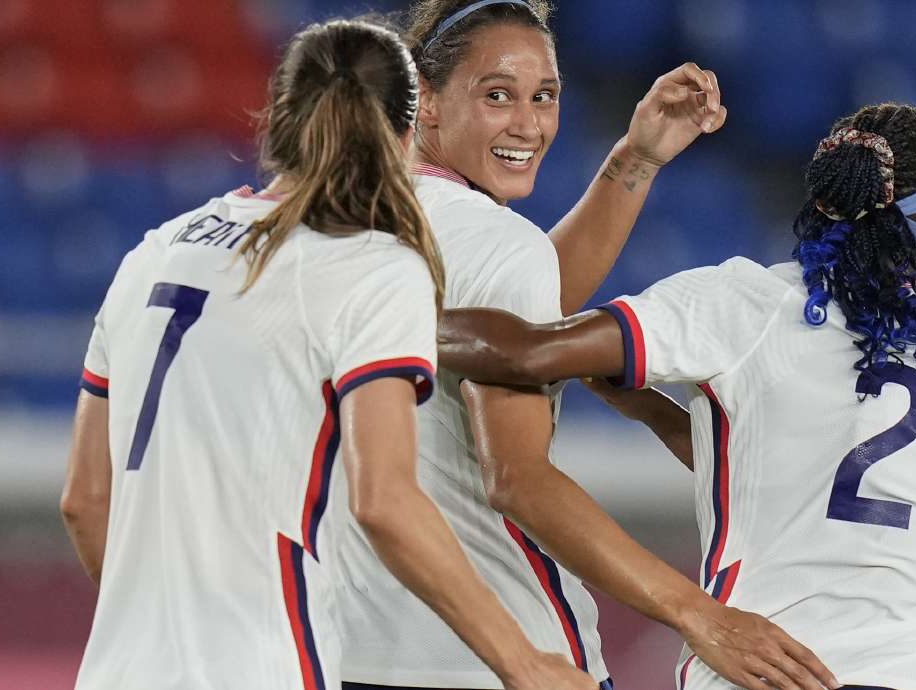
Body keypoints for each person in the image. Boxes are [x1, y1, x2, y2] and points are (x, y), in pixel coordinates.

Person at [60, 18, 594, 690]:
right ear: (408, 135)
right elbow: (385, 501)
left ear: (279, 121)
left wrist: (167, 632)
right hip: (265, 666)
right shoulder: (372, 271)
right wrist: (523, 662)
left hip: (118, 670)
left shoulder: (154, 252)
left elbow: (84, 499)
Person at [336, 2, 835, 690]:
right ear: (422, 101)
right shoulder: (494, 245)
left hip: (343, 646)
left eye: (545, 97)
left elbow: (523, 305)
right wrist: (700, 616)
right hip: (507, 655)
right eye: (497, 95)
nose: (528, 124)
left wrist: (635, 161)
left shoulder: (332, 223)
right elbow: (516, 478)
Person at [438, 102, 916, 690]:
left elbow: (522, 352)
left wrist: (371, 313)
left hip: (764, 669)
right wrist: (656, 416)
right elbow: (813, 471)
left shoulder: (746, 303)